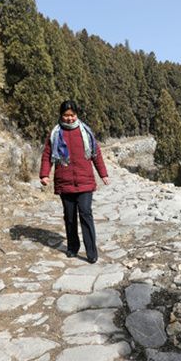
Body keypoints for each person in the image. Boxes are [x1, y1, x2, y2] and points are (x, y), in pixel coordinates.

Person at [40, 100, 110, 264]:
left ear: (77, 115)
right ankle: (72, 247)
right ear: (61, 115)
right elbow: (47, 155)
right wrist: (44, 174)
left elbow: (96, 154)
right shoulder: (55, 134)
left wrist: (103, 174)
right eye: (66, 115)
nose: (69, 118)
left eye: (72, 115)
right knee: (70, 217)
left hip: (84, 181)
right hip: (65, 182)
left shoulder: (86, 132)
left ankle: (91, 251)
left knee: (86, 214)